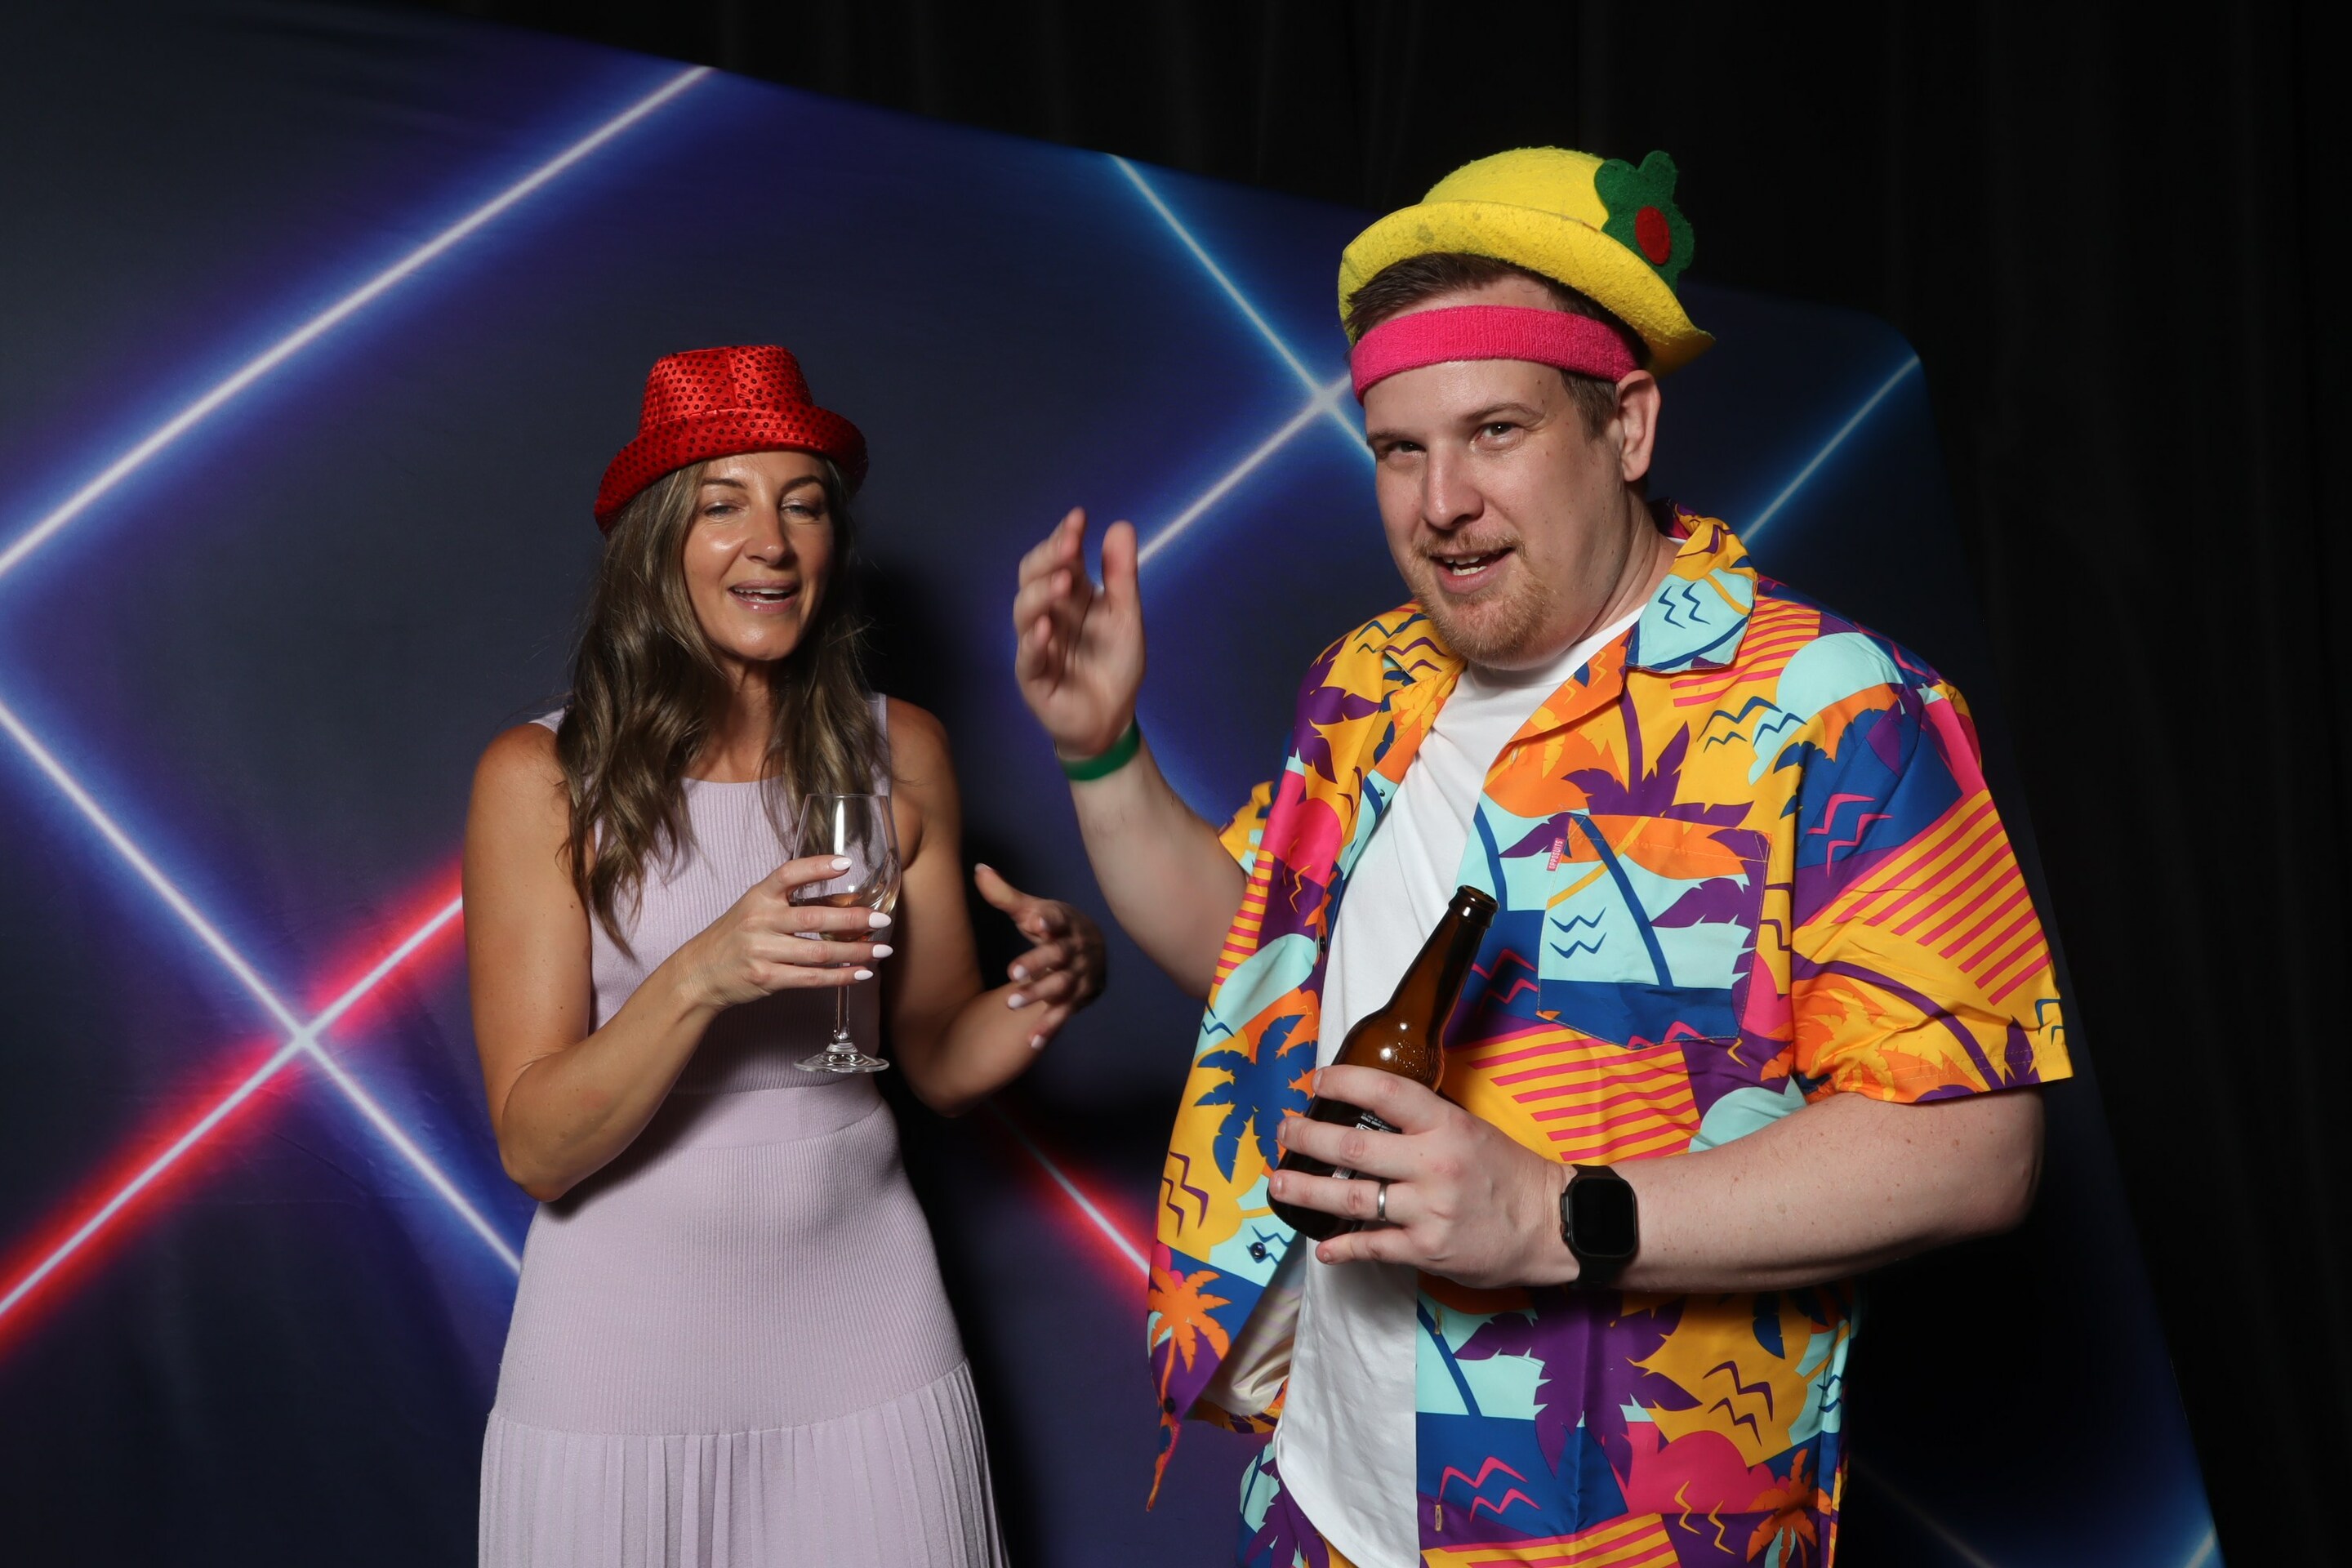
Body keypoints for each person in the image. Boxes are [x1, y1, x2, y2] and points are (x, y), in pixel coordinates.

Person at [1012, 148, 2068, 1566]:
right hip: (1328, 1499)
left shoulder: (1840, 709)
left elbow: (1976, 1147)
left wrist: (1557, 1217)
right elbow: (1257, 956)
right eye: (1399, 449)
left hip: (1616, 1531)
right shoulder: (1370, 679)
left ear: (1624, 425)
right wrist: (1100, 753)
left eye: (1495, 431)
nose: (1440, 499)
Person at [467, 344, 1103, 1567]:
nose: (771, 541)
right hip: (620, 1353)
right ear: (656, 545)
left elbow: (936, 1060)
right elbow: (537, 1147)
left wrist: (1042, 993)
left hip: (866, 1328)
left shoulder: (901, 749)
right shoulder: (541, 777)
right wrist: (704, 972)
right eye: (724, 505)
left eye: (803, 506)